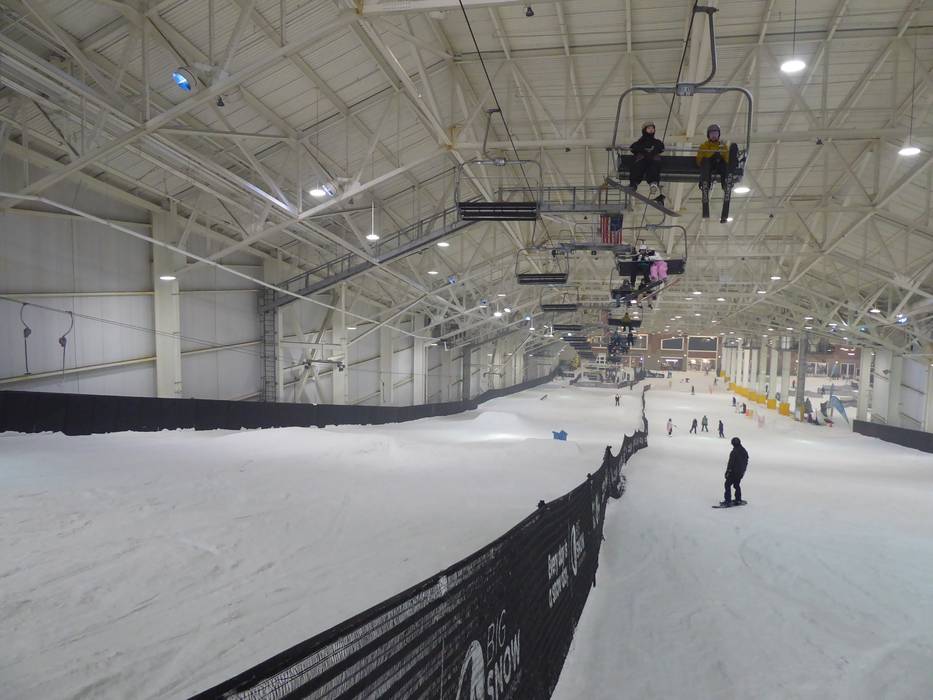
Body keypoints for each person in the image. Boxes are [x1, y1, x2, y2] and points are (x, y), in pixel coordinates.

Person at [696, 123, 731, 222]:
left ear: (719, 134)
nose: (714, 135)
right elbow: (699, 160)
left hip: (719, 166)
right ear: (709, 135)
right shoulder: (704, 146)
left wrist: (722, 152)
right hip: (708, 166)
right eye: (712, 134)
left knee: (724, 164)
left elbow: (727, 160)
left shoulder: (723, 146)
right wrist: (714, 151)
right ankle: (705, 184)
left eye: (716, 133)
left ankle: (726, 184)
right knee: (706, 161)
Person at [629, 120, 665, 201]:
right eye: (649, 128)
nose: (651, 130)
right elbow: (633, 148)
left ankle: (653, 183)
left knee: (653, 167)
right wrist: (644, 152)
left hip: (653, 160)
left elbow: (661, 147)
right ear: (644, 130)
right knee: (638, 166)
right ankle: (633, 184)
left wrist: (651, 152)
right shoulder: (640, 142)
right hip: (643, 160)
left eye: (652, 128)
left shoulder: (657, 142)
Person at [721, 437, 749, 506]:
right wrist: (743, 471)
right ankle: (738, 499)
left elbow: (731, 463)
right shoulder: (744, 450)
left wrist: (728, 471)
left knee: (727, 484)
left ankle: (728, 501)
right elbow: (746, 461)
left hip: (734, 472)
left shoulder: (734, 452)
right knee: (736, 485)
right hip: (740, 472)